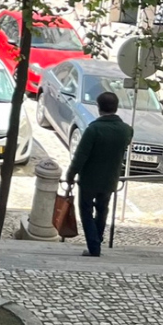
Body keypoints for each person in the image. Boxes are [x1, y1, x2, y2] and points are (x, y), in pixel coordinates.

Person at [65, 91, 133, 257]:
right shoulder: (126, 130)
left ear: (99, 107)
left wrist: (70, 175)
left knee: (86, 211)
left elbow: (80, 155)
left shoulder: (93, 129)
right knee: (103, 210)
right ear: (116, 107)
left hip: (89, 179)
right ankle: (98, 238)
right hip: (110, 179)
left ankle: (94, 246)